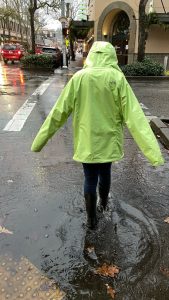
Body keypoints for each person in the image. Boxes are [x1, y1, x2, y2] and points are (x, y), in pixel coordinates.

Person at [31, 41, 164, 230]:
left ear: (91, 55)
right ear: (111, 57)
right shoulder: (117, 79)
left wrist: (39, 142)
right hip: (109, 139)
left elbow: (58, 113)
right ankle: (103, 204)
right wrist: (153, 154)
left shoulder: (79, 78)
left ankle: (91, 218)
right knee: (105, 173)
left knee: (89, 177)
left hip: (87, 141)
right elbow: (135, 118)